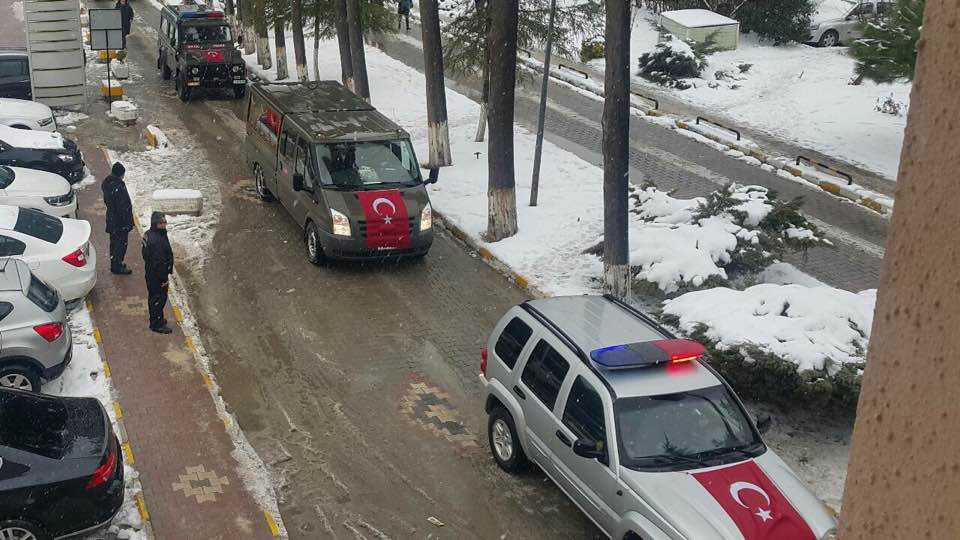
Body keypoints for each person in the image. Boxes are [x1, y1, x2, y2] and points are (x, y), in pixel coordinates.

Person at [142, 212, 174, 334]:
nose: (165, 224)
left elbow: (145, 254)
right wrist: (164, 279)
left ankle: (157, 319)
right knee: (159, 298)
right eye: (162, 222)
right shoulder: (157, 241)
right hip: (157, 276)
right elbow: (159, 262)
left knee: (154, 297)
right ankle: (156, 324)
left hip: (150, 272)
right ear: (156, 224)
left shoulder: (149, 234)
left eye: (165, 221)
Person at [102, 162, 134, 275]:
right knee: (120, 245)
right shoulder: (117, 188)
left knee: (114, 243)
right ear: (120, 174)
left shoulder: (108, 183)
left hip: (112, 220)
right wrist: (126, 224)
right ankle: (117, 266)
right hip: (119, 223)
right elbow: (122, 208)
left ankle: (115, 263)